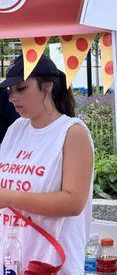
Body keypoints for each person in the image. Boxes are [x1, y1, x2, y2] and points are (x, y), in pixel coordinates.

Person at [0, 54, 94, 274]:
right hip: (12, 259)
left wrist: (8, 197)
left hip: (52, 263)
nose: (13, 98)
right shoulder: (16, 129)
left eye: (21, 89)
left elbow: (73, 203)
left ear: (47, 87)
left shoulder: (72, 132)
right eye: (9, 91)